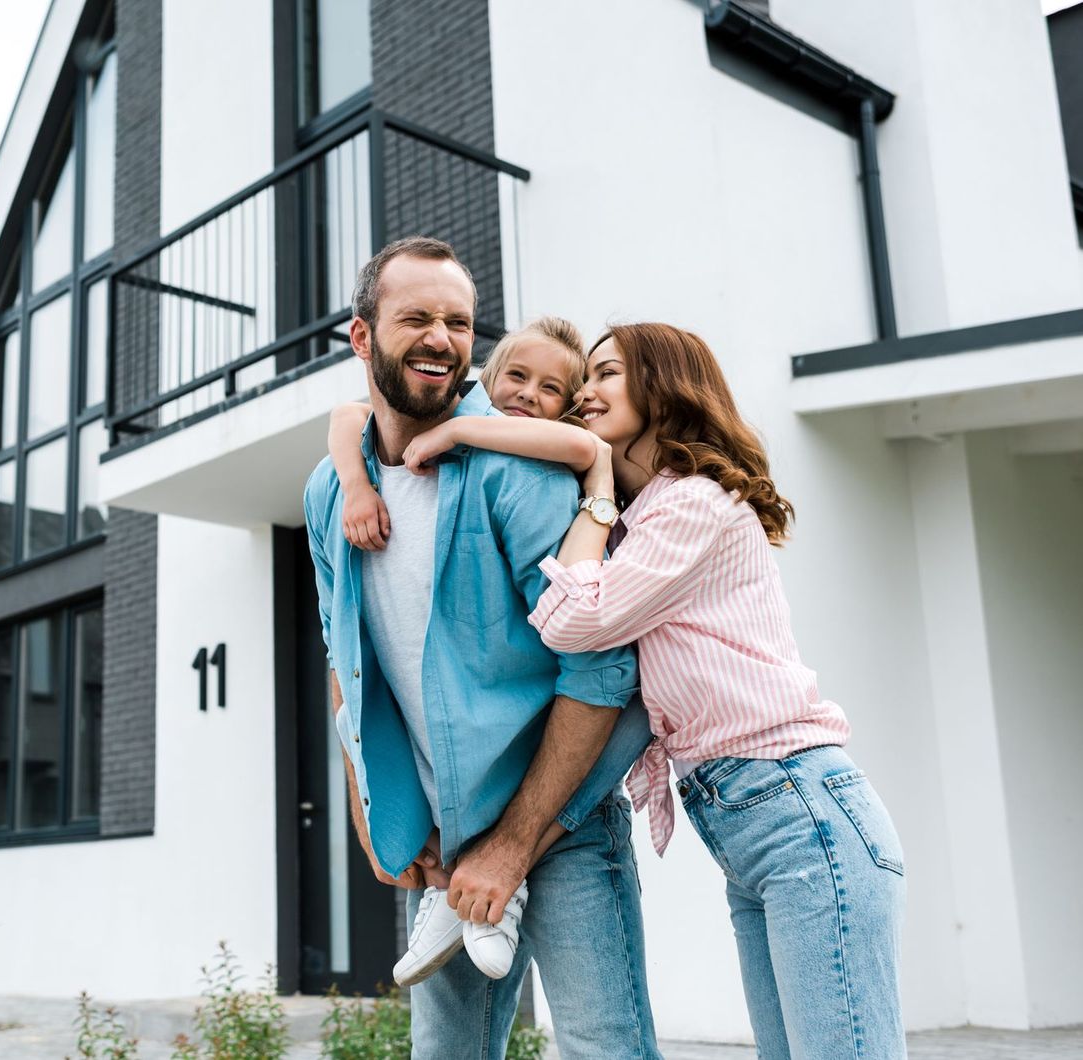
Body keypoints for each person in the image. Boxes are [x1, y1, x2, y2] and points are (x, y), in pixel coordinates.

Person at [402, 320, 906, 1058]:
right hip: (750, 823)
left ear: (663, 386)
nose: (583, 393)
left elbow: (572, 622)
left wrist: (580, 482)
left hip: (799, 809)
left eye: (605, 374)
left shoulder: (691, 503)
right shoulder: (646, 523)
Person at [302, 236, 660, 1060]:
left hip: (557, 820)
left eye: (457, 322)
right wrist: (369, 807)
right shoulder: (330, 489)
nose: (440, 338)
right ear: (362, 338)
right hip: (443, 836)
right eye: (416, 318)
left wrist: (515, 842)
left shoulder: (514, 467)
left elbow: (602, 665)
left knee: (605, 1049)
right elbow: (341, 660)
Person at [327, 316, 614, 983]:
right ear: (488, 375)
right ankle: (466, 892)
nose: (528, 394)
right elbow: (348, 413)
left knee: (600, 1032)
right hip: (443, 804)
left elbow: (580, 449)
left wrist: (454, 429)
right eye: (516, 376)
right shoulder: (367, 467)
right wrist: (354, 484)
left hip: (553, 788)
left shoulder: (539, 459)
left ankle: (501, 881)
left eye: (551, 387)